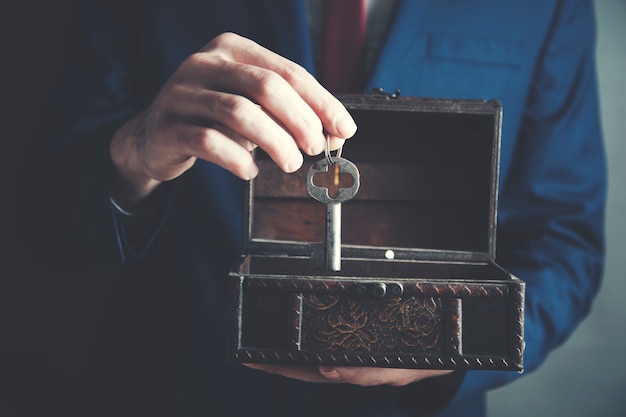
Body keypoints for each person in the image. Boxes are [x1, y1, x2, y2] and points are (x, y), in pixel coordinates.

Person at [5, 0, 606, 416]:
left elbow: (565, 238)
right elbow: (42, 211)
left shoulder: (548, 6)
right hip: (178, 385)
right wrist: (133, 153)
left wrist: (452, 351)